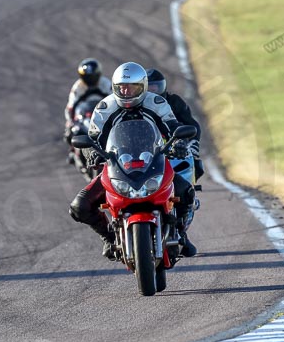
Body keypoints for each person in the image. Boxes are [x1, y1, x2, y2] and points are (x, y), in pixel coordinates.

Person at [69, 61, 198, 260]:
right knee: (80, 206)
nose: (127, 93)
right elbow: (91, 140)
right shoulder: (105, 107)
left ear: (143, 86)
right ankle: (109, 237)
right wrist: (91, 154)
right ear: (114, 87)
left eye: (132, 88)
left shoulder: (156, 103)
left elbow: (173, 127)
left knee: (187, 192)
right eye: (122, 88)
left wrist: (178, 144)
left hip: (154, 159)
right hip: (116, 164)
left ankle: (180, 231)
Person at [146, 68, 204, 181]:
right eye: (148, 90)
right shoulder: (134, 106)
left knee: (191, 167)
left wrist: (192, 143)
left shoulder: (174, 102)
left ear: (163, 87)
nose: (152, 93)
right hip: (141, 150)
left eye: (155, 88)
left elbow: (192, 125)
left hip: (171, 148)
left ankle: (188, 195)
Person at [63, 58, 112, 144]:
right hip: (85, 116)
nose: (90, 80)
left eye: (92, 77)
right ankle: (74, 153)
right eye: (86, 77)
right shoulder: (78, 87)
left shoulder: (106, 83)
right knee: (71, 133)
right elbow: (70, 107)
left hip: (102, 115)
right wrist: (70, 122)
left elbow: (114, 99)